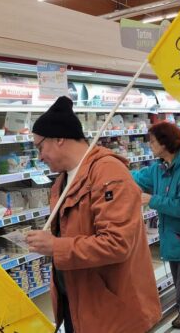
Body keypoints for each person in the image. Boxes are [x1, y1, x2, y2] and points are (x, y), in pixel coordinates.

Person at [25, 96, 161, 333]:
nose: (39, 156)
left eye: (39, 146)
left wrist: (56, 246)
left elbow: (117, 243)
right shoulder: (63, 181)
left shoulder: (109, 173)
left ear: (58, 139)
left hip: (111, 312)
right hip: (79, 302)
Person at [131, 122, 180, 333]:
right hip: (173, 243)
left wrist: (152, 199)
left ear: (166, 143)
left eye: (153, 141)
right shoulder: (160, 168)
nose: (150, 145)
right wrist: (110, 166)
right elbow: (136, 178)